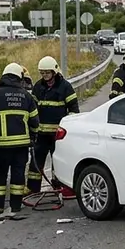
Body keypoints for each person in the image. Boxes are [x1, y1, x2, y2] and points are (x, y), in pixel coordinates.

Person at [0, 63, 39, 216]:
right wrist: (33, 136)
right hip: (21, 145)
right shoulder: (26, 96)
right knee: (18, 174)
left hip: (1, 145)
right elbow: (35, 121)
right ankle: (15, 205)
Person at [28, 56, 79, 194]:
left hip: (58, 134)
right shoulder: (38, 87)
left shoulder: (65, 87)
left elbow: (74, 109)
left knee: (58, 162)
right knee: (36, 162)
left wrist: (68, 129)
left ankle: (60, 187)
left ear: (54, 72)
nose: (45, 76)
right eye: (42, 73)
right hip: (41, 134)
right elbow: (32, 109)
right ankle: (33, 188)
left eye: (47, 73)